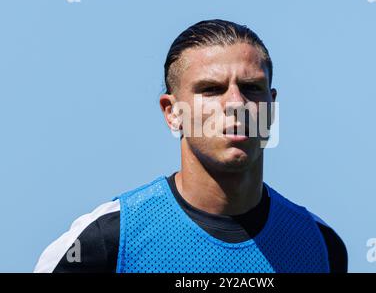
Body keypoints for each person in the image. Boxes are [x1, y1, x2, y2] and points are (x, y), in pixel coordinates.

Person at [34, 19, 347, 273]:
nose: (236, 103)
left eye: (252, 88)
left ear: (272, 106)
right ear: (172, 113)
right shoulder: (104, 240)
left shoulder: (320, 246)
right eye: (211, 90)